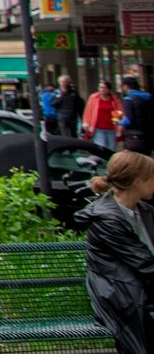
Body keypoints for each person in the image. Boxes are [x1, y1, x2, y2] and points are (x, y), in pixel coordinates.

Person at [81, 151, 154, 354]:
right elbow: (146, 264)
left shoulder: (144, 210)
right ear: (139, 183)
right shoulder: (107, 220)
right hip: (119, 293)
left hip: (140, 288)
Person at [90, 81, 124, 151]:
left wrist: (119, 128)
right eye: (100, 87)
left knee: (111, 150)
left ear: (108, 89)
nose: (102, 89)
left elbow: (118, 113)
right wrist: (87, 123)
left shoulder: (114, 100)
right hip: (98, 129)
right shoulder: (94, 98)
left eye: (104, 88)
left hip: (111, 129)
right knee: (102, 148)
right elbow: (89, 111)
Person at [124, 78, 154, 154]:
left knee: (135, 162)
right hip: (148, 135)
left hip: (134, 137)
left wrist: (118, 121)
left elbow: (128, 121)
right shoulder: (148, 97)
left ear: (126, 86)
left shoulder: (128, 99)